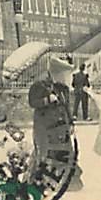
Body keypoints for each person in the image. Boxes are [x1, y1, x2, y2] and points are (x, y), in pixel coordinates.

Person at [27, 55, 84, 191]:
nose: (67, 77)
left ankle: (68, 183)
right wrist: (47, 100)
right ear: (56, 73)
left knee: (66, 153)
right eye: (65, 74)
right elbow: (32, 102)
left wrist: (71, 123)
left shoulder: (63, 88)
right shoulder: (39, 85)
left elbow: (66, 106)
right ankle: (38, 182)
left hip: (61, 128)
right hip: (44, 127)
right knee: (44, 153)